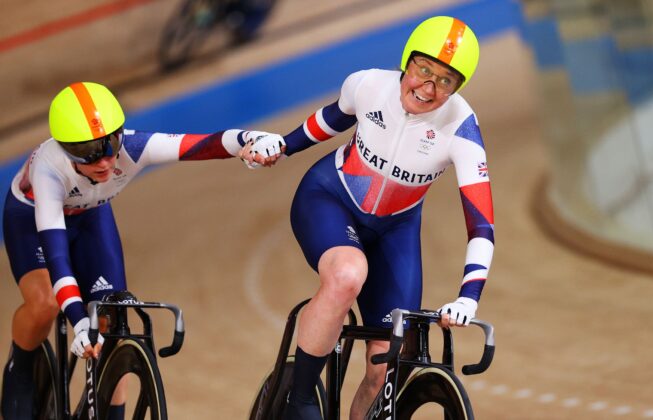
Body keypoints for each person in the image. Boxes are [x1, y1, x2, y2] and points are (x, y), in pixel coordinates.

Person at [243, 15, 495, 419]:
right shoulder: (369, 85)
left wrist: (469, 295)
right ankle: (301, 399)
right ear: (407, 62)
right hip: (329, 198)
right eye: (423, 70)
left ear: (458, 87)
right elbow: (331, 118)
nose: (427, 88)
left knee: (386, 361)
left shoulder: (462, 130)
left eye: (445, 81)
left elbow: (481, 223)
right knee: (347, 274)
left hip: (395, 228)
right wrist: (282, 147)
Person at [0, 81, 283, 419]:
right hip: (32, 219)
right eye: (88, 152)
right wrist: (77, 320)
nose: (104, 160)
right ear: (65, 149)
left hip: (90, 215)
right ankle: (22, 366)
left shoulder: (133, 147)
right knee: (46, 301)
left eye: (110, 145)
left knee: (113, 316)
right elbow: (58, 256)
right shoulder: (49, 168)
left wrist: (248, 141)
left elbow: (202, 144)